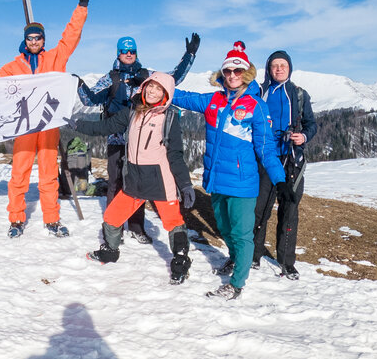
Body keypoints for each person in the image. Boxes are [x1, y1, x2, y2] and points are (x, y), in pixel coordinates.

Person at [170, 41, 287, 300]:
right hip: (217, 180)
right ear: (222, 74)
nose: (232, 75)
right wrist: (153, 82)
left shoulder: (256, 106)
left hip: (243, 183)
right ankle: (235, 260)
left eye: (237, 71)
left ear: (246, 73)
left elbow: (266, 149)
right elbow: (182, 96)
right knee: (224, 227)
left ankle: (236, 285)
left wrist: (280, 180)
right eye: (227, 71)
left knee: (242, 233)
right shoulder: (213, 101)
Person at [69, 72, 196, 284]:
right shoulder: (132, 111)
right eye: (150, 86)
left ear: (166, 93)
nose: (152, 91)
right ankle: (110, 250)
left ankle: (181, 260)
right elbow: (106, 127)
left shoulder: (169, 117)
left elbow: (175, 155)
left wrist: (185, 184)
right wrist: (79, 125)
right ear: (144, 86)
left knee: (173, 222)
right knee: (112, 217)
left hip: (160, 180)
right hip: (135, 178)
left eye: (158, 89)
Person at [77, 33, 200, 244]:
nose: (129, 54)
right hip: (117, 139)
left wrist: (189, 55)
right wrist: (78, 84)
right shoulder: (111, 78)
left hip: (147, 142)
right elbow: (90, 99)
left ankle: (136, 227)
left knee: (139, 185)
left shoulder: (147, 75)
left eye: (132, 50)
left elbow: (172, 78)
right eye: (124, 51)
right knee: (116, 183)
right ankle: (115, 228)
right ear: (118, 53)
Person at [0, 0, 90, 237]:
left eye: (38, 37)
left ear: (43, 40)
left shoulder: (55, 59)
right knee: (19, 173)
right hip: (25, 126)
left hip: (48, 125)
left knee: (49, 174)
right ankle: (16, 219)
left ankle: (52, 219)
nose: (35, 41)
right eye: (30, 38)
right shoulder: (11, 67)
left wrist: (81, 8)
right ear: (25, 40)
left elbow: (71, 36)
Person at [252, 49, 318, 278]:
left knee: (289, 209)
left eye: (283, 65)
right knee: (260, 208)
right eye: (274, 65)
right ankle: (253, 254)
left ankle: (286, 261)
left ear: (289, 68)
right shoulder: (260, 92)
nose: (279, 69)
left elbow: (311, 124)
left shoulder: (299, 94)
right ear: (269, 69)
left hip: (292, 160)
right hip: (265, 159)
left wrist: (304, 137)